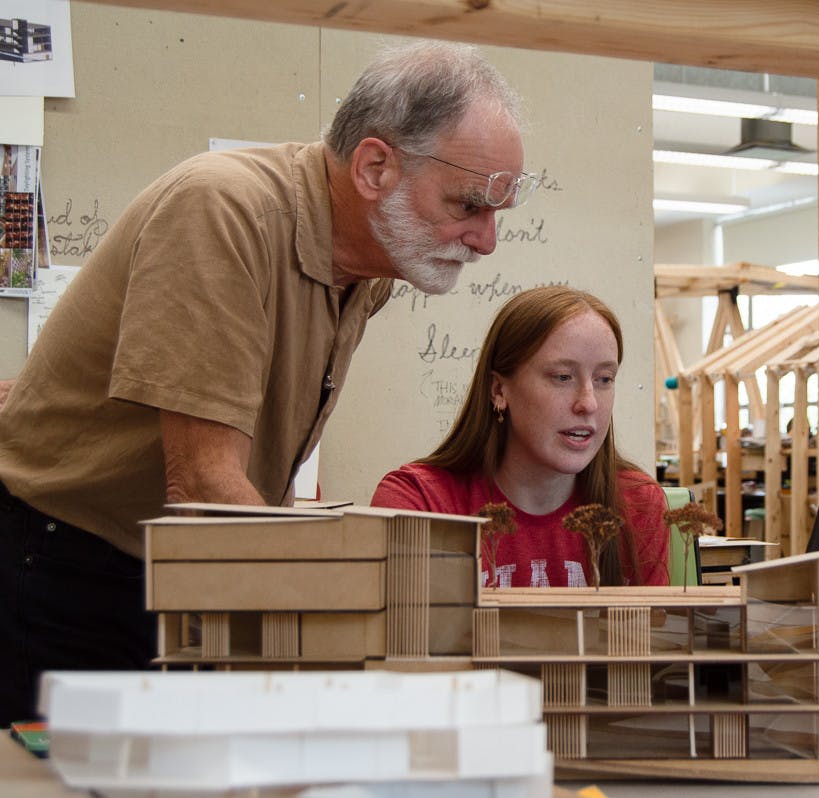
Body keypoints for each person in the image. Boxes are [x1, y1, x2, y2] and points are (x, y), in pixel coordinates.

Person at [0, 40, 534, 727]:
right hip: (62, 565)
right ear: (374, 167)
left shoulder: (368, 268)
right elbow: (200, 487)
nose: (486, 240)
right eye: (468, 206)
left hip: (172, 569)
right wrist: (339, 629)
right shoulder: (223, 209)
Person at [372, 286, 669, 588]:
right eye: (563, 377)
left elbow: (653, 634)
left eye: (604, 379)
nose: (589, 403)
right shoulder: (418, 503)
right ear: (499, 390)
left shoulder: (637, 502)